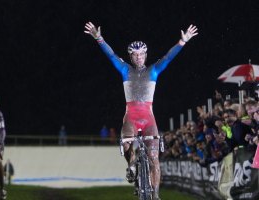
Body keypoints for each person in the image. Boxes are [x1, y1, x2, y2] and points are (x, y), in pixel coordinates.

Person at [84, 21, 198, 199]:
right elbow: (112, 55)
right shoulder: (125, 70)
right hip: (131, 117)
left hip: (148, 119)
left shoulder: (153, 70)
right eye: (135, 55)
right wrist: (98, 38)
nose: (139, 58)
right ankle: (131, 164)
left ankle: (156, 195)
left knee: (154, 157)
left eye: (142, 54)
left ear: (146, 55)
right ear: (130, 57)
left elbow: (168, 58)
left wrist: (182, 42)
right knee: (126, 141)